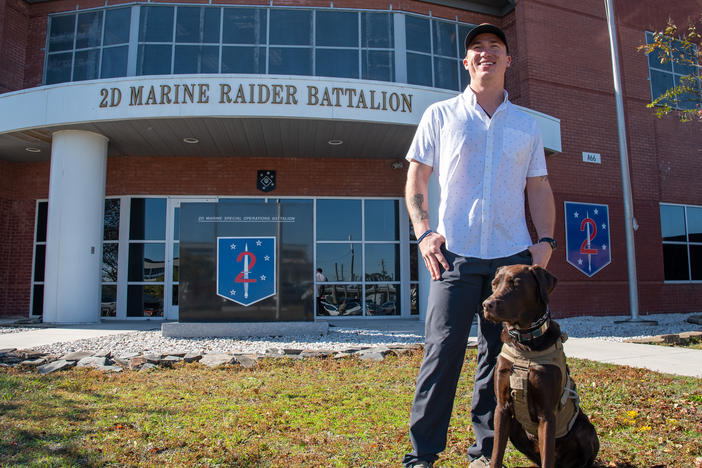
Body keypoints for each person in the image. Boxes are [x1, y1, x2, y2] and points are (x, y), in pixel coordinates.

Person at [402, 24, 556, 468]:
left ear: (509, 61)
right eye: (477, 49)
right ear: (466, 62)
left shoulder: (527, 126)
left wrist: (544, 241)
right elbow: (416, 176)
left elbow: (540, 186)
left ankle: (484, 454)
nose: (486, 53)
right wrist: (424, 231)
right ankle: (422, 456)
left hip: (510, 260)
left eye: (495, 47)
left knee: (499, 360)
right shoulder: (440, 115)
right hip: (454, 256)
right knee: (441, 355)